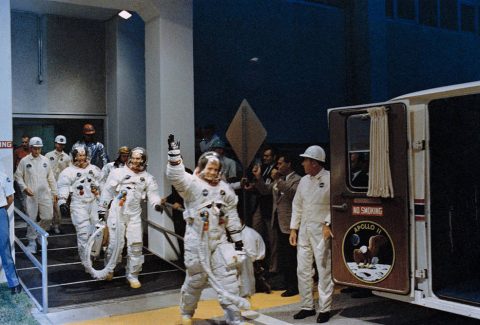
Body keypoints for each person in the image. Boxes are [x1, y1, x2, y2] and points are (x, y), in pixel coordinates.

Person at [166, 135, 247, 325]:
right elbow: (175, 176)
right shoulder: (192, 185)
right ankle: (187, 311)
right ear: (202, 168)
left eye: (216, 169)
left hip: (219, 241)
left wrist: (238, 240)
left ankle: (234, 318)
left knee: (228, 280)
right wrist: (174, 156)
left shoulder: (225, 190)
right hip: (197, 241)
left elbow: (232, 215)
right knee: (196, 279)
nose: (213, 172)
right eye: (209, 168)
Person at [98, 147, 162, 288]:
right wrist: (102, 209)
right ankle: (109, 269)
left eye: (138, 158)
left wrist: (156, 204)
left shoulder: (147, 178)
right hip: (117, 213)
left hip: (134, 215)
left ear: (144, 160)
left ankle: (132, 275)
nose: (135, 160)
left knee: (136, 245)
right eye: (133, 157)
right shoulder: (117, 173)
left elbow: (153, 194)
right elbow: (107, 192)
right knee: (115, 244)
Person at [290, 145, 333, 323]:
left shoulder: (330, 179)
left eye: (306, 160)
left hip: (321, 230)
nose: (303, 163)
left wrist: (328, 223)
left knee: (324, 270)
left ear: (314, 162)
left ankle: (325, 308)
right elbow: (297, 205)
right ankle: (307, 306)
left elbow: (335, 204)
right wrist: (294, 228)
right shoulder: (304, 181)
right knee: (303, 270)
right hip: (305, 231)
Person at [254, 154, 301, 297]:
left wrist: (278, 180)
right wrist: (258, 178)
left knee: (292, 256)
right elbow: (265, 190)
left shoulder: (297, 180)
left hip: (291, 223)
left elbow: (293, 194)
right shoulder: (279, 180)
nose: (278, 166)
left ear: (289, 164)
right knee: (283, 256)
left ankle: (295, 285)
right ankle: (287, 283)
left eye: (280, 163)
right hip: (278, 222)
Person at [57, 146, 102, 270]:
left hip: (94, 203)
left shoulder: (94, 169)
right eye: (78, 156)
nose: (81, 158)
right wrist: (62, 200)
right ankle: (86, 261)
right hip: (78, 204)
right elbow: (63, 186)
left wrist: (103, 199)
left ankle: (94, 254)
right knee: (83, 233)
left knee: (98, 231)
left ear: (87, 156)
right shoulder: (68, 172)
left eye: (83, 155)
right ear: (74, 157)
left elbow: (102, 184)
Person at [14, 137, 57, 254]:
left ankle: (40, 234)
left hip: (45, 193)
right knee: (31, 218)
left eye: (39, 148)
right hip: (31, 194)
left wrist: (54, 193)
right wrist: (24, 188)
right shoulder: (25, 161)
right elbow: (17, 176)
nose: (37, 151)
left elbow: (51, 178)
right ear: (30, 148)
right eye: (35, 148)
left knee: (48, 216)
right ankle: (32, 242)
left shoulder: (45, 160)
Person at [248, 146, 278, 277]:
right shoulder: (265, 168)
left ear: (274, 157)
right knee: (256, 234)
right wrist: (252, 186)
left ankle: (273, 268)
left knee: (273, 240)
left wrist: (258, 178)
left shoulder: (275, 171)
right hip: (260, 205)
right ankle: (260, 264)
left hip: (271, 207)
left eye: (268, 156)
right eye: (264, 156)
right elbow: (260, 187)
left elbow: (267, 189)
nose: (265, 158)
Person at [0, 170, 22, 294]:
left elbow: (10, 198)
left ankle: (14, 283)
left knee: (4, 249)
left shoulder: (3, 176)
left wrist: (2, 211)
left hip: (0, 212)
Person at [45, 135, 71, 234]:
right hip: (49, 184)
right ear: (55, 143)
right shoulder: (48, 155)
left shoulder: (67, 157)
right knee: (49, 205)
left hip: (61, 185)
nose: (60, 146)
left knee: (57, 206)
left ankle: (56, 225)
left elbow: (69, 171)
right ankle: (48, 224)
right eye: (58, 144)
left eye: (62, 144)